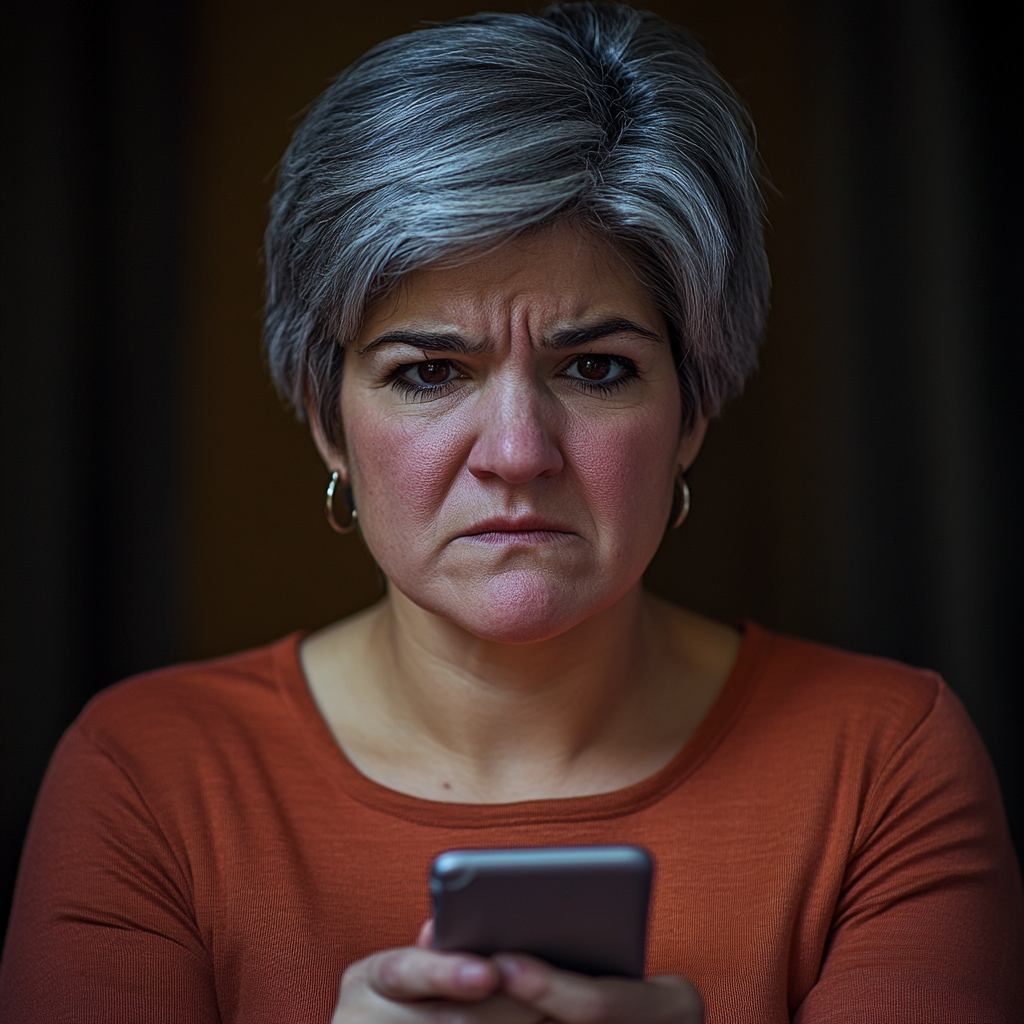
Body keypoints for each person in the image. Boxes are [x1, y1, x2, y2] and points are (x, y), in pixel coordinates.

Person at [2, 4, 1022, 1022]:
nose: (517, 454)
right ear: (326, 421)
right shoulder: (146, 774)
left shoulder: (884, 764)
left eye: (594, 367)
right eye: (429, 371)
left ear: (693, 412)